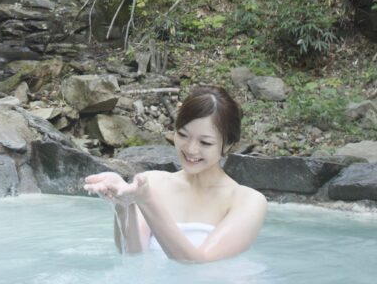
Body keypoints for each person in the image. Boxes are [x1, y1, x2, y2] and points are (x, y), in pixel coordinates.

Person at [84, 85, 267, 263]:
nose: (191, 149)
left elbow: (198, 263)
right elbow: (134, 256)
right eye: (183, 135)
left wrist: (148, 202)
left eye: (205, 142)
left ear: (228, 145)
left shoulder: (247, 201)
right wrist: (123, 205)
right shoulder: (152, 182)